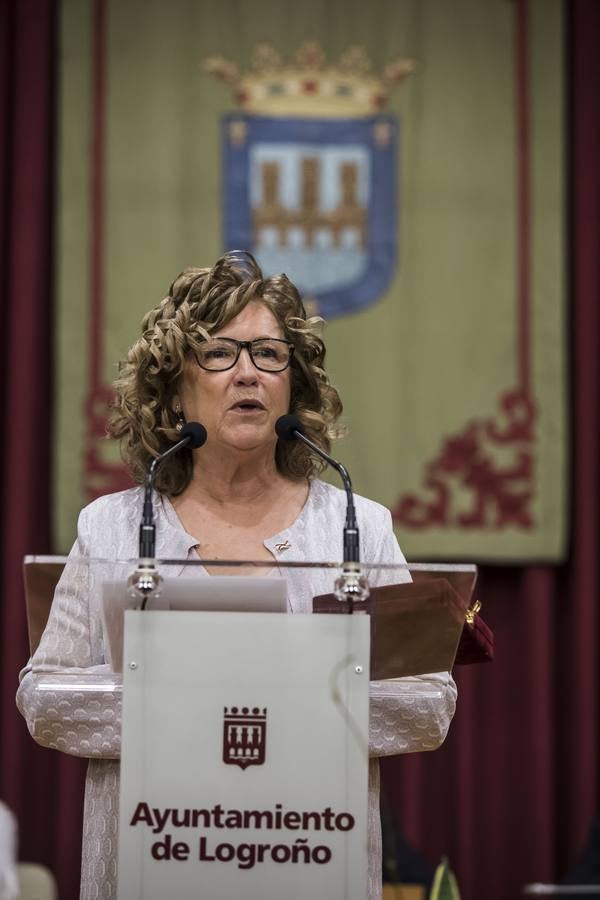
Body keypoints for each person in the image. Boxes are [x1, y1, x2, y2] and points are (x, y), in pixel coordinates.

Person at [17, 251, 456, 900]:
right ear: (175, 386)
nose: (248, 372)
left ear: (294, 383)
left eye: (269, 355)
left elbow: (428, 703)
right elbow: (45, 701)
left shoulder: (356, 530)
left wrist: (251, 705)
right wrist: (216, 708)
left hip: (307, 851)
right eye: (219, 353)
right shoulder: (110, 530)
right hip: (156, 851)